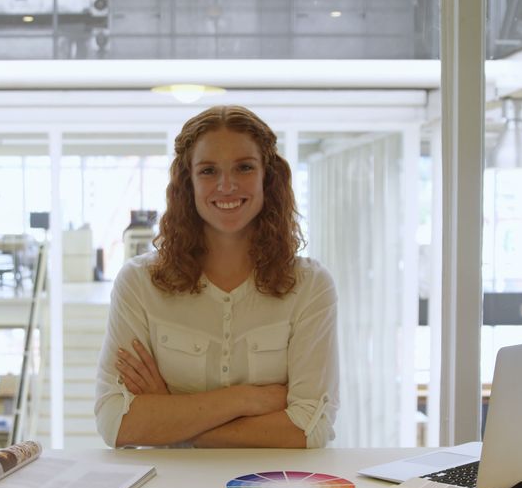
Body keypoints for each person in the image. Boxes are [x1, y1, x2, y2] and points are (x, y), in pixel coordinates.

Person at [94, 105, 339, 449]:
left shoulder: (311, 286)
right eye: (208, 171)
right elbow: (114, 421)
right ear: (187, 182)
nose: (226, 185)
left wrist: (169, 416)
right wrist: (245, 400)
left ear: (267, 177)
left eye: (244, 167)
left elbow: (309, 428)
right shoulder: (139, 283)